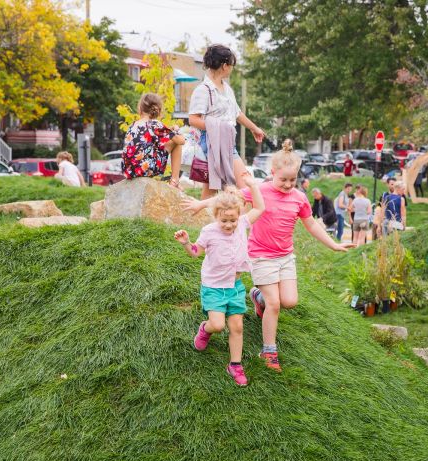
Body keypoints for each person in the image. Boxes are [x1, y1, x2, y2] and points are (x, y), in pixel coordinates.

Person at [183, 140, 351, 372]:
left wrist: (333, 245)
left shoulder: (299, 198)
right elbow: (228, 200)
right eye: (283, 180)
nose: (288, 184)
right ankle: (269, 351)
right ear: (272, 173)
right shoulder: (260, 190)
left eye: (293, 180)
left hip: (285, 257)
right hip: (261, 255)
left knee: (289, 301)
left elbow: (311, 224)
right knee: (275, 304)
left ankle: (257, 297)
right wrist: (201, 204)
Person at [174, 176, 265, 386]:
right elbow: (196, 252)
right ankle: (205, 329)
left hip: (235, 287)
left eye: (232, 220)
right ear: (216, 216)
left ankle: (235, 364)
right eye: (224, 220)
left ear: (238, 216)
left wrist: (252, 186)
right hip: (214, 287)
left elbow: (260, 208)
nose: (229, 224)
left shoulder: (242, 224)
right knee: (217, 324)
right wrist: (186, 243)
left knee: (237, 327)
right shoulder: (209, 232)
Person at [188, 44, 265, 199]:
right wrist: (219, 128)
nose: (232, 69)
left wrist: (254, 128)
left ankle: (209, 221)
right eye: (231, 65)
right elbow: (193, 119)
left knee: (215, 189)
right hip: (211, 142)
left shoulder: (227, 89)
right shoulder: (203, 90)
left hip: (227, 141)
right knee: (242, 185)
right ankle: (239, 221)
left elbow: (236, 113)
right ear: (224, 66)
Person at [121, 93, 185, 185]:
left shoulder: (133, 125)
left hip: (129, 171)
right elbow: (181, 141)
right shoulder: (156, 124)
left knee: (169, 140)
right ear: (158, 110)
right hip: (146, 169)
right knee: (176, 143)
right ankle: (175, 181)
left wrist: (168, 132)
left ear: (140, 108)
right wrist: (177, 130)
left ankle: (174, 181)